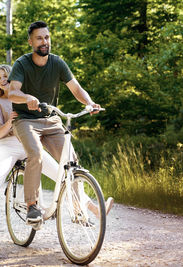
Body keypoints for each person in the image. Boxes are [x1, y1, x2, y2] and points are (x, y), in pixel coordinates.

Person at [8, 21, 113, 223]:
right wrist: (27, 98)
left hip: (51, 120)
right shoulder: (22, 64)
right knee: (36, 154)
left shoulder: (57, 63)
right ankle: (32, 206)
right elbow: (13, 92)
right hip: (26, 120)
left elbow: (76, 88)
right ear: (30, 41)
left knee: (71, 162)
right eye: (39, 38)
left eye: (47, 37)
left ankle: (78, 211)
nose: (44, 41)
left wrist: (90, 103)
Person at [0, 64, 59, 240]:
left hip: (29, 144)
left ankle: (92, 208)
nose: (2, 80)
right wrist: (10, 120)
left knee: (60, 172)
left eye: (5, 76)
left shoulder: (26, 98)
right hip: (7, 146)